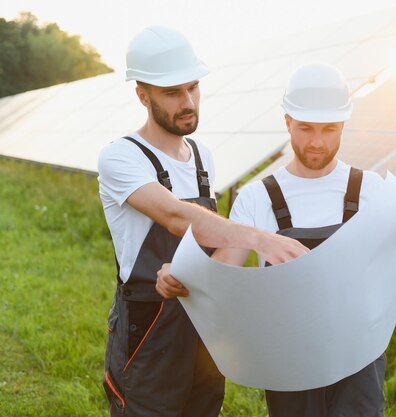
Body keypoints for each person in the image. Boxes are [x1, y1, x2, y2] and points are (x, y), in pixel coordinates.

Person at [157, 62, 396, 416]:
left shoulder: (373, 192)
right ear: (287, 121)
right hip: (289, 363)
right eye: (305, 128)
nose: (317, 142)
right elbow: (223, 270)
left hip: (358, 358)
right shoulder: (257, 197)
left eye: (329, 129)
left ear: (344, 126)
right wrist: (181, 277)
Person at [97, 26, 308, 417]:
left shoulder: (201, 156)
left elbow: (211, 240)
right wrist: (261, 238)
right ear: (142, 95)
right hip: (149, 327)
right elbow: (177, 217)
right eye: (172, 92)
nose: (189, 101)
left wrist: (207, 273)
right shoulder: (121, 158)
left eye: (193, 88)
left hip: (205, 321)